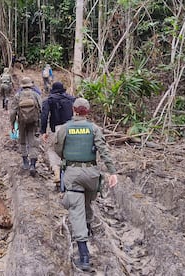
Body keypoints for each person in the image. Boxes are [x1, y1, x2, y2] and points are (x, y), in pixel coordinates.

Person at [54, 97, 118, 271]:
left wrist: (69, 159)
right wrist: (112, 172)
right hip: (91, 175)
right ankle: (88, 226)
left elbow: (58, 149)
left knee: (76, 210)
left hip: (73, 174)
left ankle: (84, 256)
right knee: (87, 202)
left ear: (73, 110)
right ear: (87, 112)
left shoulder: (65, 128)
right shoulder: (94, 129)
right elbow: (103, 150)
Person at [40, 82, 76, 183]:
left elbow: (44, 115)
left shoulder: (49, 100)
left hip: (56, 129)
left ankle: (56, 171)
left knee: (52, 150)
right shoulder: (72, 99)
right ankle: (70, 171)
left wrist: (43, 131)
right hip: (71, 128)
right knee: (68, 149)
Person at [10, 77, 42, 176]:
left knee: (22, 141)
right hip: (34, 121)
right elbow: (41, 109)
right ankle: (33, 164)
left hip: (22, 121)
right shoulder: (36, 95)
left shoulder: (17, 96)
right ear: (30, 85)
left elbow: (13, 112)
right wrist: (40, 123)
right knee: (33, 142)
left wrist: (12, 123)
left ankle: (25, 162)